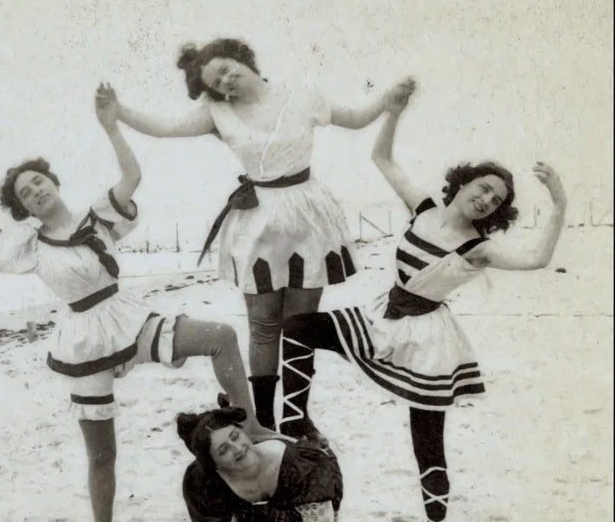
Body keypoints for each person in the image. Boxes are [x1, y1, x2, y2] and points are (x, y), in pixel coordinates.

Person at [0, 84, 277, 522]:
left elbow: (132, 173)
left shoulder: (97, 217)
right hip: (83, 341)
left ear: (53, 183)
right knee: (102, 453)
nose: (35, 191)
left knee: (221, 336)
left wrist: (110, 124)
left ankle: (254, 427)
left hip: (128, 317)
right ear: (23, 209)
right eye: (25, 193)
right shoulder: (27, 245)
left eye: (38, 181)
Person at [278, 83, 569, 522]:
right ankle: (294, 421)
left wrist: (559, 204)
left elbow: (538, 260)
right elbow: (383, 157)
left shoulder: (479, 247)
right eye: (483, 188)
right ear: (464, 183)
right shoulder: (426, 208)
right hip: (382, 316)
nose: (486, 200)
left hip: (428, 341)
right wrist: (391, 111)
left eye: (495, 200)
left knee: (427, 440)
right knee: (299, 328)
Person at [107, 38, 414, 432]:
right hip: (257, 222)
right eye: (217, 81)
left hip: (307, 215)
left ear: (241, 58)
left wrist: (388, 102)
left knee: (301, 322)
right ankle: (264, 419)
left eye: (225, 68)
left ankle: (297, 417)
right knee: (264, 323)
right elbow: (165, 129)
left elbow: (355, 118)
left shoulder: (302, 97)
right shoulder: (218, 113)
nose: (226, 80)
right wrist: (118, 113)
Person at [177, 405, 386, 522]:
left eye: (235, 436)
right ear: (214, 464)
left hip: (303, 500)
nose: (237, 448)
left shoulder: (298, 466)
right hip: (262, 509)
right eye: (223, 450)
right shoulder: (205, 480)